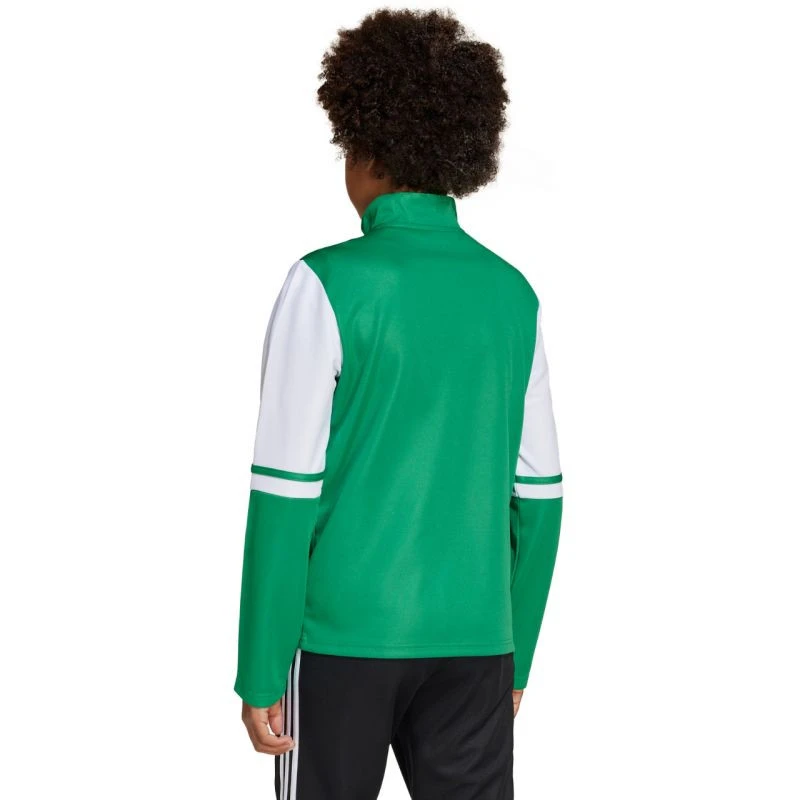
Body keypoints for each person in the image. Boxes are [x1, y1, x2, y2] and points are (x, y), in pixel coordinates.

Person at [234, 8, 563, 799]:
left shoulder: (324, 284)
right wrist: (515, 655)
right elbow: (541, 499)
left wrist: (260, 666)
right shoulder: (512, 295)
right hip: (477, 643)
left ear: (368, 151)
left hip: (342, 641)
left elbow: (284, 493)